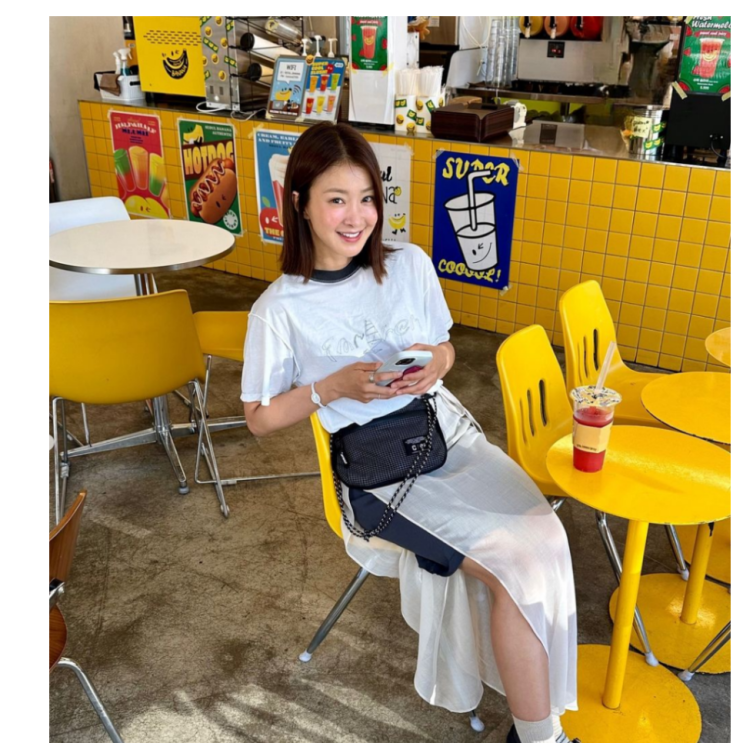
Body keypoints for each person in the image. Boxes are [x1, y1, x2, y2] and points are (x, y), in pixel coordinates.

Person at [241, 122, 579, 743]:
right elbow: (259, 419)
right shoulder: (279, 309)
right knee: (514, 566)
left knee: (548, 541)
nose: (356, 217)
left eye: (367, 198)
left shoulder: (410, 265)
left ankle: (538, 723)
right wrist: (330, 388)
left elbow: (445, 349)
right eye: (336, 199)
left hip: (445, 434)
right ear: (300, 203)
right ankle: (543, 737)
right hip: (379, 475)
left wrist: (435, 364)